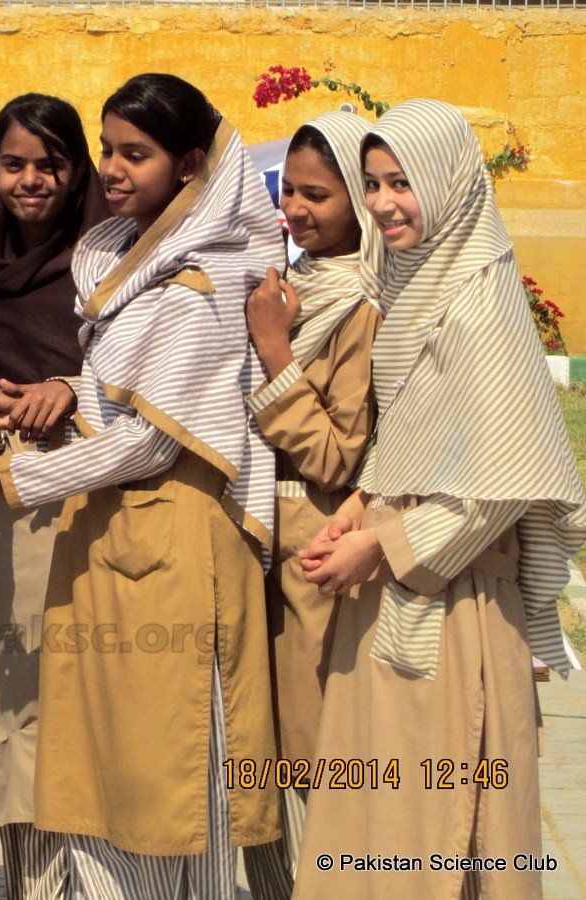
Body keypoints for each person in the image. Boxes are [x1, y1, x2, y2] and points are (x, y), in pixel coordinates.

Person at [0, 73, 283, 898]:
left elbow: (145, 445)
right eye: (109, 150)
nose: (115, 169)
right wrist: (36, 408)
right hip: (120, 554)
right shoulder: (143, 270)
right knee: (108, 794)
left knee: (172, 799)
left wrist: (15, 477)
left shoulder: (196, 286)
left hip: (172, 563)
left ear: (193, 164)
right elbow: (115, 413)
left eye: (137, 153)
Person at [294, 99, 586, 899]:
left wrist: (377, 545)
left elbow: (500, 484)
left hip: (454, 608)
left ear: (450, 183)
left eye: (403, 183)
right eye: (375, 183)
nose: (384, 202)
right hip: (392, 598)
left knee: (441, 832)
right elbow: (420, 434)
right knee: (379, 826)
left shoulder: (479, 301)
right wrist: (362, 506)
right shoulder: (419, 281)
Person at [0, 92, 108, 900]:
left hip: (99, 521)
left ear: (78, 173)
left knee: (92, 721)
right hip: (6, 527)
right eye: (14, 165)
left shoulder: (112, 270)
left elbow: (146, 387)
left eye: (50, 164)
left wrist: (68, 388)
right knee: (14, 726)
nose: (30, 181)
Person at [238, 112, 385, 899]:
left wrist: (273, 352)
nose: (296, 209)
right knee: (253, 759)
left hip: (312, 547)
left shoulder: (363, 304)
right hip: (257, 541)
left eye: (318, 195)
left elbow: (336, 455)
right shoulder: (290, 286)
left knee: (308, 760)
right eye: (288, 190)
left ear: (361, 202)